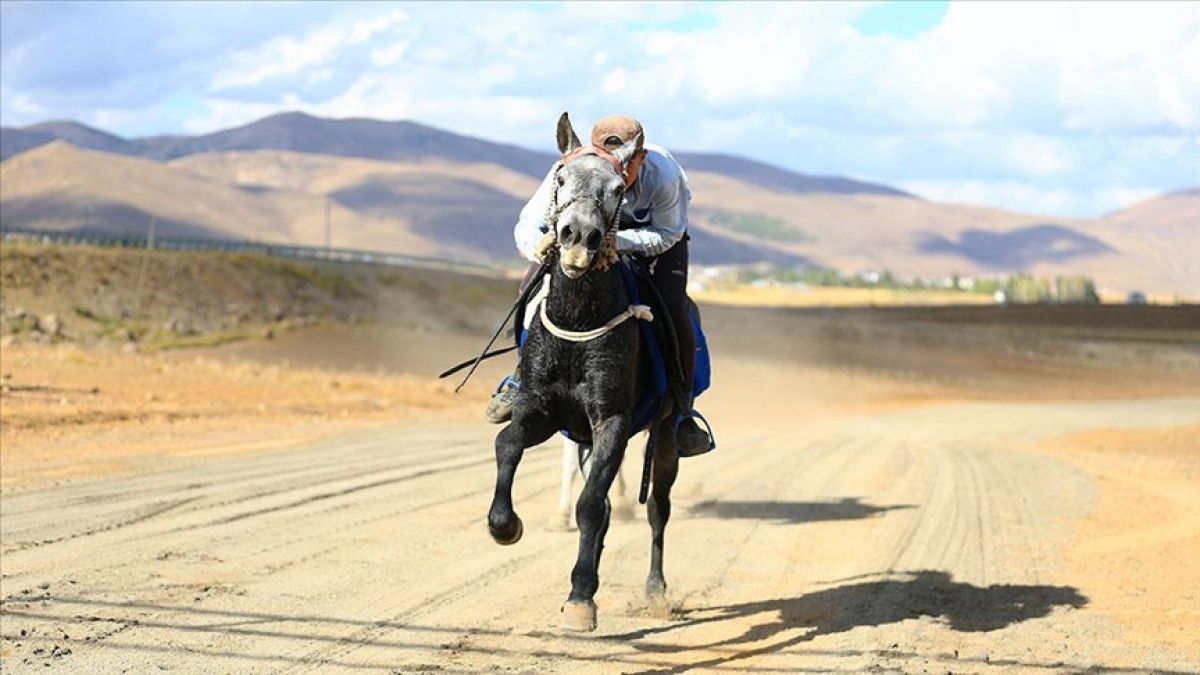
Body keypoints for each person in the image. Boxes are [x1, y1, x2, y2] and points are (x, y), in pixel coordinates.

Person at [486, 114, 711, 457]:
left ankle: (682, 409)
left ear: (641, 156)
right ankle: (522, 381)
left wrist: (611, 242)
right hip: (583, 235)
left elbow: (667, 234)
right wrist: (542, 247)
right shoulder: (571, 169)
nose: (616, 171)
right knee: (530, 286)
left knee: (673, 304)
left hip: (657, 237)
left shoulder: (664, 177)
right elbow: (528, 224)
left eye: (626, 166)